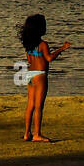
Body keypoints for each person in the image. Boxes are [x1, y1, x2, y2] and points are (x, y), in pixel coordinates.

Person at [19, 13, 71, 142]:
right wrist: (61, 49)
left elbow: (29, 60)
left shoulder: (28, 45)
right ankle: (37, 134)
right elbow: (49, 58)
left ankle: (27, 133)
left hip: (30, 75)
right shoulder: (43, 44)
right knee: (39, 106)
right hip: (40, 75)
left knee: (30, 105)